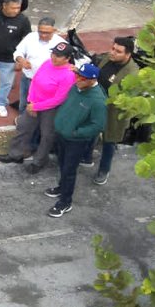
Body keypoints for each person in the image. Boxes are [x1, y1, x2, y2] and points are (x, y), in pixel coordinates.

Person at [0, 41, 77, 173]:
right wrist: (30, 102)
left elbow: (59, 99)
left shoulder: (68, 75)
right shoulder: (47, 63)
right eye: (54, 53)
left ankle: (39, 161)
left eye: (59, 56)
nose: (54, 57)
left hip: (51, 109)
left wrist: (36, 106)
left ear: (67, 58)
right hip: (34, 103)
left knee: (47, 135)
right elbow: (35, 81)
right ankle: (15, 154)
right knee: (23, 127)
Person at [46, 63, 108, 217]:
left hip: (76, 141)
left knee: (69, 170)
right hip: (62, 135)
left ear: (92, 80)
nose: (78, 79)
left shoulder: (98, 100)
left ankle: (65, 203)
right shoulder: (76, 87)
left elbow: (97, 125)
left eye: (82, 78)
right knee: (62, 164)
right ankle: (61, 188)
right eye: (77, 75)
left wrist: (76, 132)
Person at [87, 36, 140, 185]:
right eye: (113, 48)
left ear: (127, 55)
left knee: (109, 140)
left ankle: (104, 169)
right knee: (90, 131)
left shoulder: (133, 73)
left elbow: (128, 98)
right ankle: (86, 157)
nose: (112, 52)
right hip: (97, 105)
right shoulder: (107, 58)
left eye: (118, 51)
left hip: (114, 112)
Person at [10, 17, 66, 112]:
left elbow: (63, 65)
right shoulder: (31, 37)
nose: (43, 35)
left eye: (47, 33)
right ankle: (22, 119)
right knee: (23, 102)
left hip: (45, 83)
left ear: (54, 30)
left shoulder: (61, 44)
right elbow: (18, 52)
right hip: (27, 77)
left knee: (38, 107)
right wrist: (21, 60)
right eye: (41, 32)